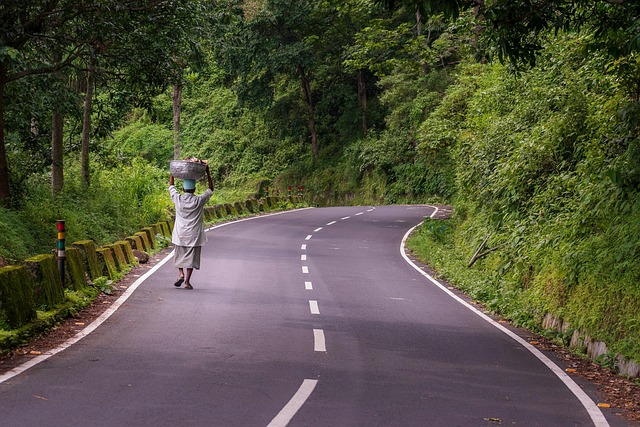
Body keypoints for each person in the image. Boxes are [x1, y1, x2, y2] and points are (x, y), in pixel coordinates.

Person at [169, 164, 214, 290]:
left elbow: (171, 186)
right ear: (194, 190)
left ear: (183, 189)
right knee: (191, 259)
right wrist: (208, 173)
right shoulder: (199, 201)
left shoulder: (178, 199)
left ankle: (180, 274)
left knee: (179, 255)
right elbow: (210, 189)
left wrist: (173, 171)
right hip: (194, 235)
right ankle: (187, 282)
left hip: (180, 233)